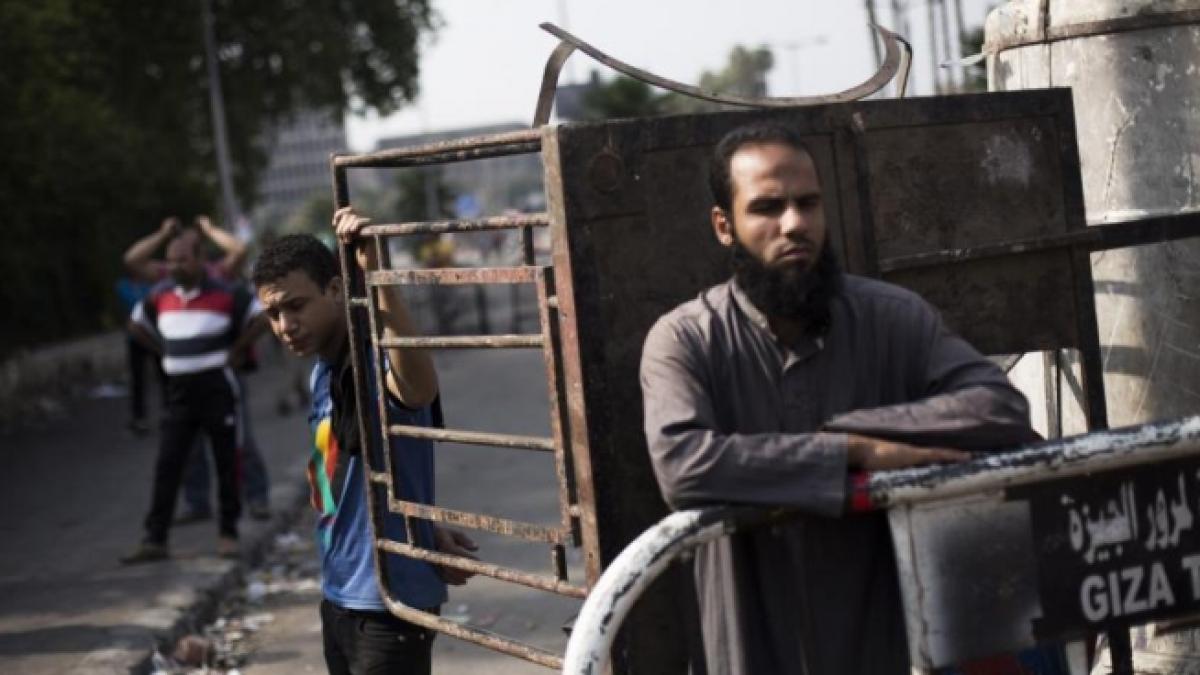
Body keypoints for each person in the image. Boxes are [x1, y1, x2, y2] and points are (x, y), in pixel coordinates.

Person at [638, 122, 1043, 675]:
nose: (795, 224)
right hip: (752, 644)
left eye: (808, 203)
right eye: (767, 208)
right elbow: (683, 464)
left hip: (876, 641)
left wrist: (858, 429)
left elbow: (999, 407)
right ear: (724, 226)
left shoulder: (892, 317)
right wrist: (853, 452)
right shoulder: (685, 339)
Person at [252, 211, 478, 675]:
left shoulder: (377, 361)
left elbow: (417, 388)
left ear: (335, 289)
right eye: (273, 314)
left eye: (296, 306)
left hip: (387, 604)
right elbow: (334, 484)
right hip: (339, 596)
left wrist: (378, 277)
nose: (285, 325)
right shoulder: (323, 372)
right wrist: (420, 522)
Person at [121, 225, 268, 563]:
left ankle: (228, 532)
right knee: (169, 464)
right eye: (171, 261)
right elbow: (136, 325)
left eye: (182, 260)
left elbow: (260, 317)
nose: (175, 267)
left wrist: (238, 349)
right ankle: (155, 538)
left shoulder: (226, 292)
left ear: (201, 259)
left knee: (227, 461)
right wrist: (164, 351)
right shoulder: (160, 294)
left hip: (217, 387)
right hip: (178, 393)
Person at [116, 275, 165, 434]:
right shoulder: (123, 287)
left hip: (154, 336)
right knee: (138, 378)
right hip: (136, 338)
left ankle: (169, 412)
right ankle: (139, 417)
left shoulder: (151, 285)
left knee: (164, 377)